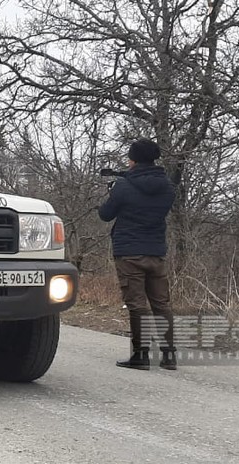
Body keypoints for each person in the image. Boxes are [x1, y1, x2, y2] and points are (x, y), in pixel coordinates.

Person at [99, 139, 178, 370]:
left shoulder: (123, 186)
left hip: (129, 252)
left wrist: (113, 191)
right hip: (156, 251)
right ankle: (169, 355)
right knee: (161, 304)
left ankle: (141, 355)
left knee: (137, 304)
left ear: (133, 159)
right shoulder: (167, 186)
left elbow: (105, 214)